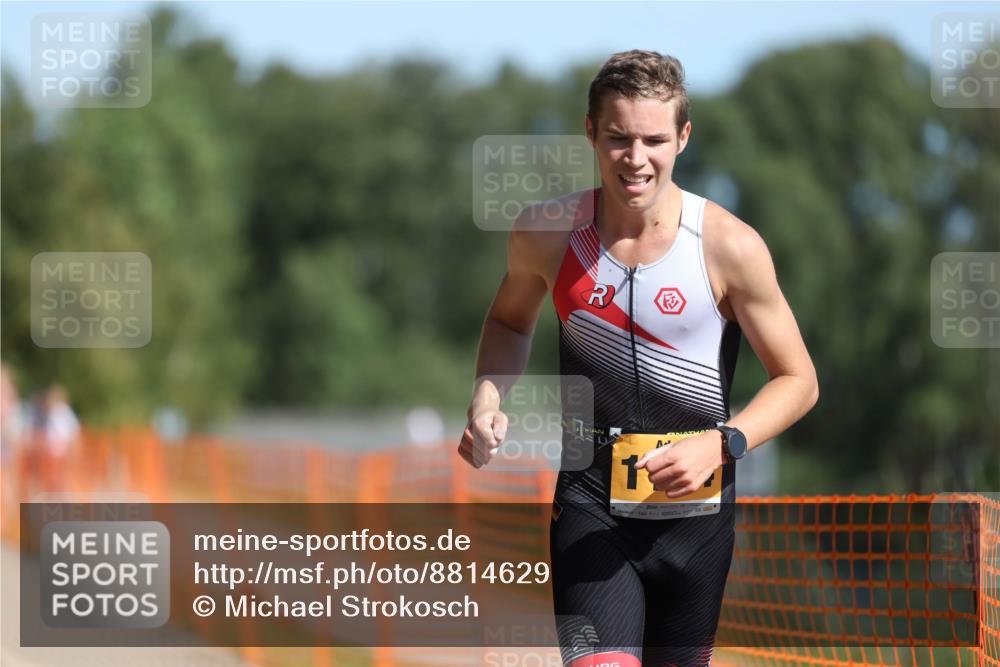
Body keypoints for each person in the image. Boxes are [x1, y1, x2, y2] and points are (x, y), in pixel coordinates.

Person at [458, 50, 818, 667]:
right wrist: (488, 398)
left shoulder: (729, 246)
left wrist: (724, 442)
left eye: (654, 139)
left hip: (697, 519)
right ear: (590, 132)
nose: (636, 158)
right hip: (588, 502)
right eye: (619, 138)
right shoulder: (546, 232)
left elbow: (799, 380)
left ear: (683, 137)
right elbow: (508, 321)